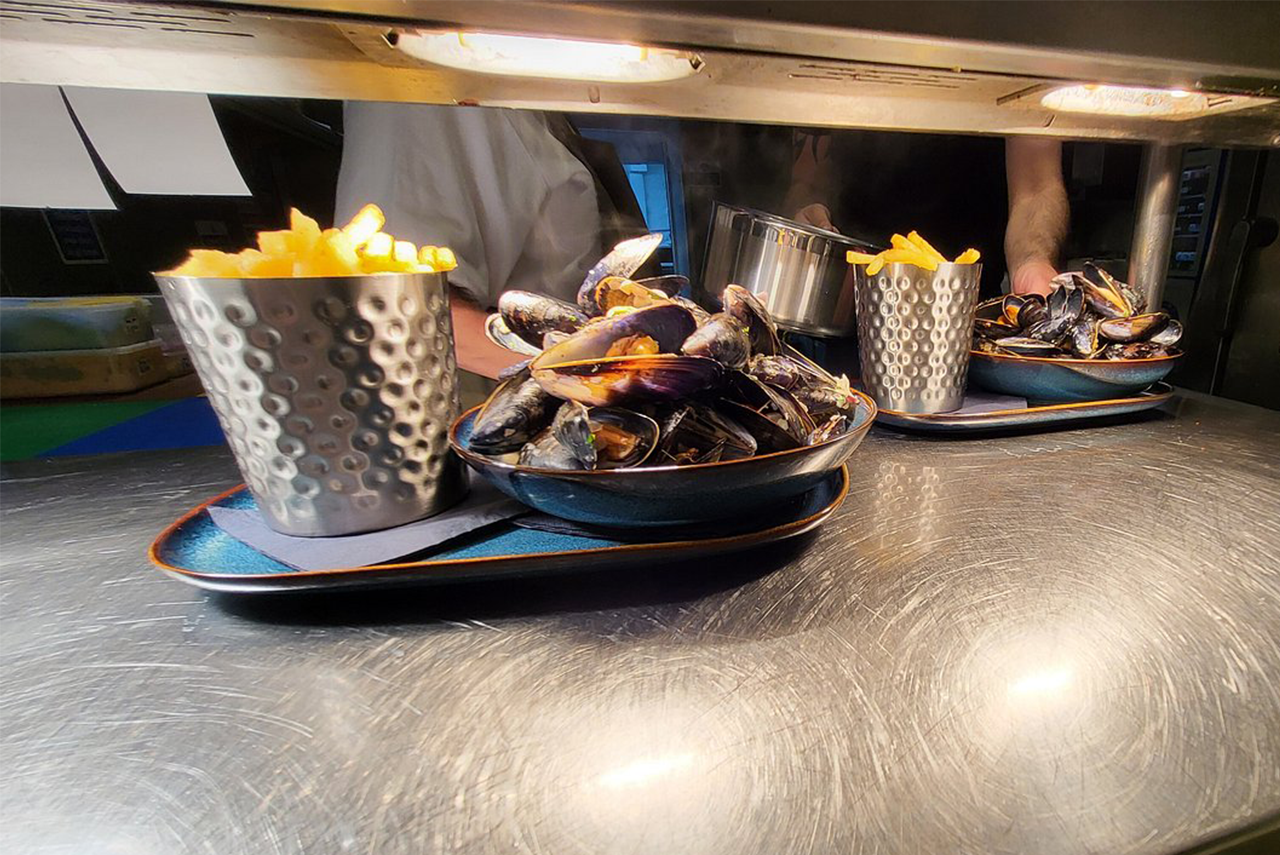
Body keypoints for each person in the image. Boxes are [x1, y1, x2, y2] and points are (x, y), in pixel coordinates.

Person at [335, 102, 648, 385]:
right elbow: (401, 310)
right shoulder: (420, 101)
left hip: (565, 400)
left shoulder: (529, 98)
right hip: (480, 416)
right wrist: (599, 384)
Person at [782, 132, 1068, 297]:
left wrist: (1033, 262)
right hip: (843, 305)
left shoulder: (1017, 36)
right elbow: (809, 171)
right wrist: (805, 212)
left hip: (965, 318)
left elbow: (1036, 184)